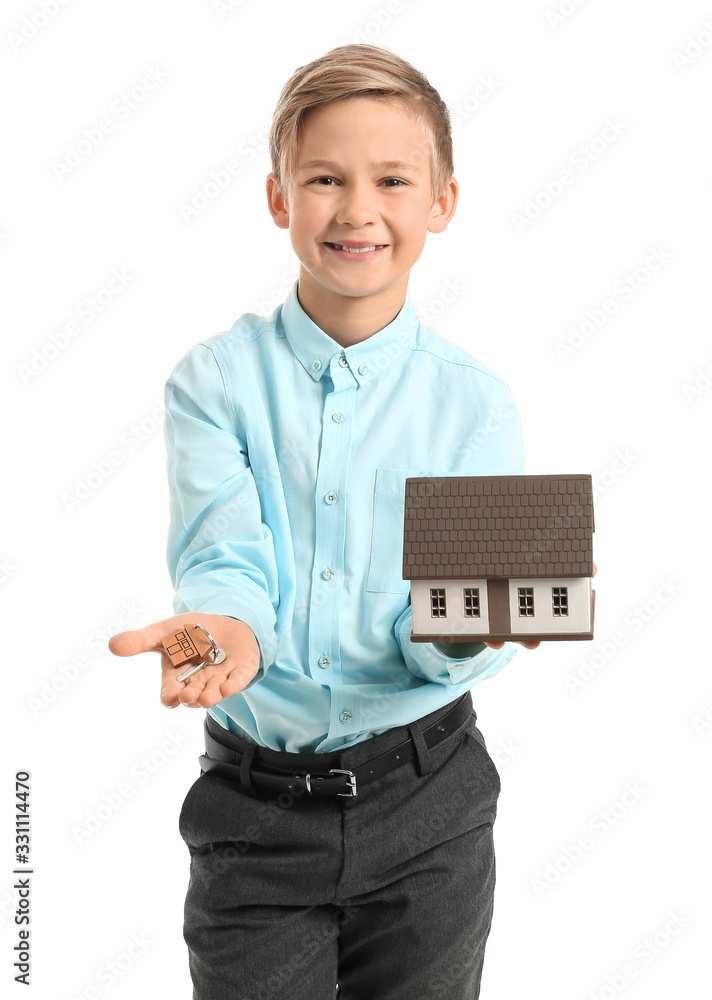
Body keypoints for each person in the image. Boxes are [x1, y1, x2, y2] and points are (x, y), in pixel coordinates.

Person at [109, 43, 542, 999]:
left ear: (441, 203)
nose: (357, 209)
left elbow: (464, 626)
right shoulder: (213, 383)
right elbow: (224, 551)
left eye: (392, 179)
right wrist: (231, 632)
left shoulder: (478, 405)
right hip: (254, 811)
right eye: (324, 178)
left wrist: (466, 634)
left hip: (432, 798)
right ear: (278, 198)